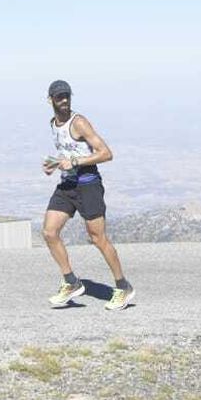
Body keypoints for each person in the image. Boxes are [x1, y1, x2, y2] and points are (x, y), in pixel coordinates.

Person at [41, 79, 134, 310]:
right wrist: (53, 164)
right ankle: (71, 282)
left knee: (97, 238)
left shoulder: (79, 122)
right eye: (59, 97)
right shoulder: (53, 123)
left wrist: (74, 161)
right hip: (67, 185)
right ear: (50, 100)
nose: (64, 101)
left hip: (88, 184)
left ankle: (123, 287)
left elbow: (106, 153)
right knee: (49, 232)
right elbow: (66, 152)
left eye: (67, 96)